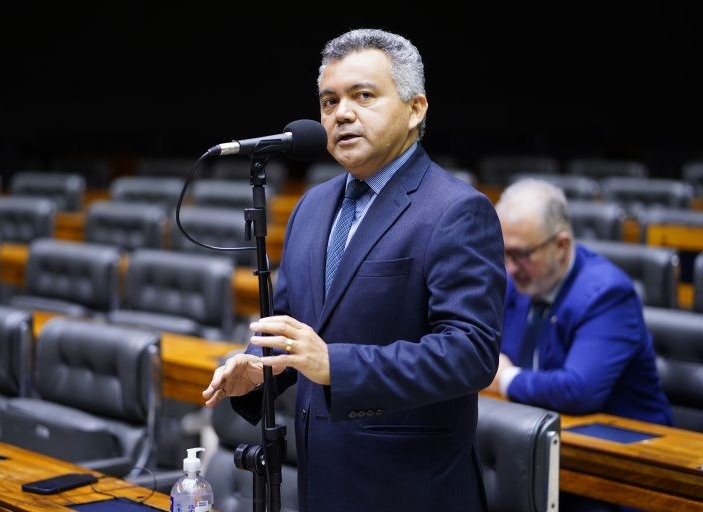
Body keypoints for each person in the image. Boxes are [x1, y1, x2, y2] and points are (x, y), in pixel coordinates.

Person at [203, 28, 506, 511]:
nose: (341, 113)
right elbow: (292, 324)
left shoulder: (455, 210)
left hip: (410, 489)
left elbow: (471, 353)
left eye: (363, 95)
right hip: (320, 479)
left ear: (416, 108)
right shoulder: (312, 206)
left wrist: (336, 365)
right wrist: (259, 369)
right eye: (328, 101)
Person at [487, 178, 673, 512]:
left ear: (560, 245)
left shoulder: (606, 294)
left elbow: (579, 389)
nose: (509, 268)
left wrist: (505, 379)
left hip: (623, 472)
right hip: (542, 447)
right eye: (503, 252)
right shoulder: (519, 280)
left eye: (521, 255)